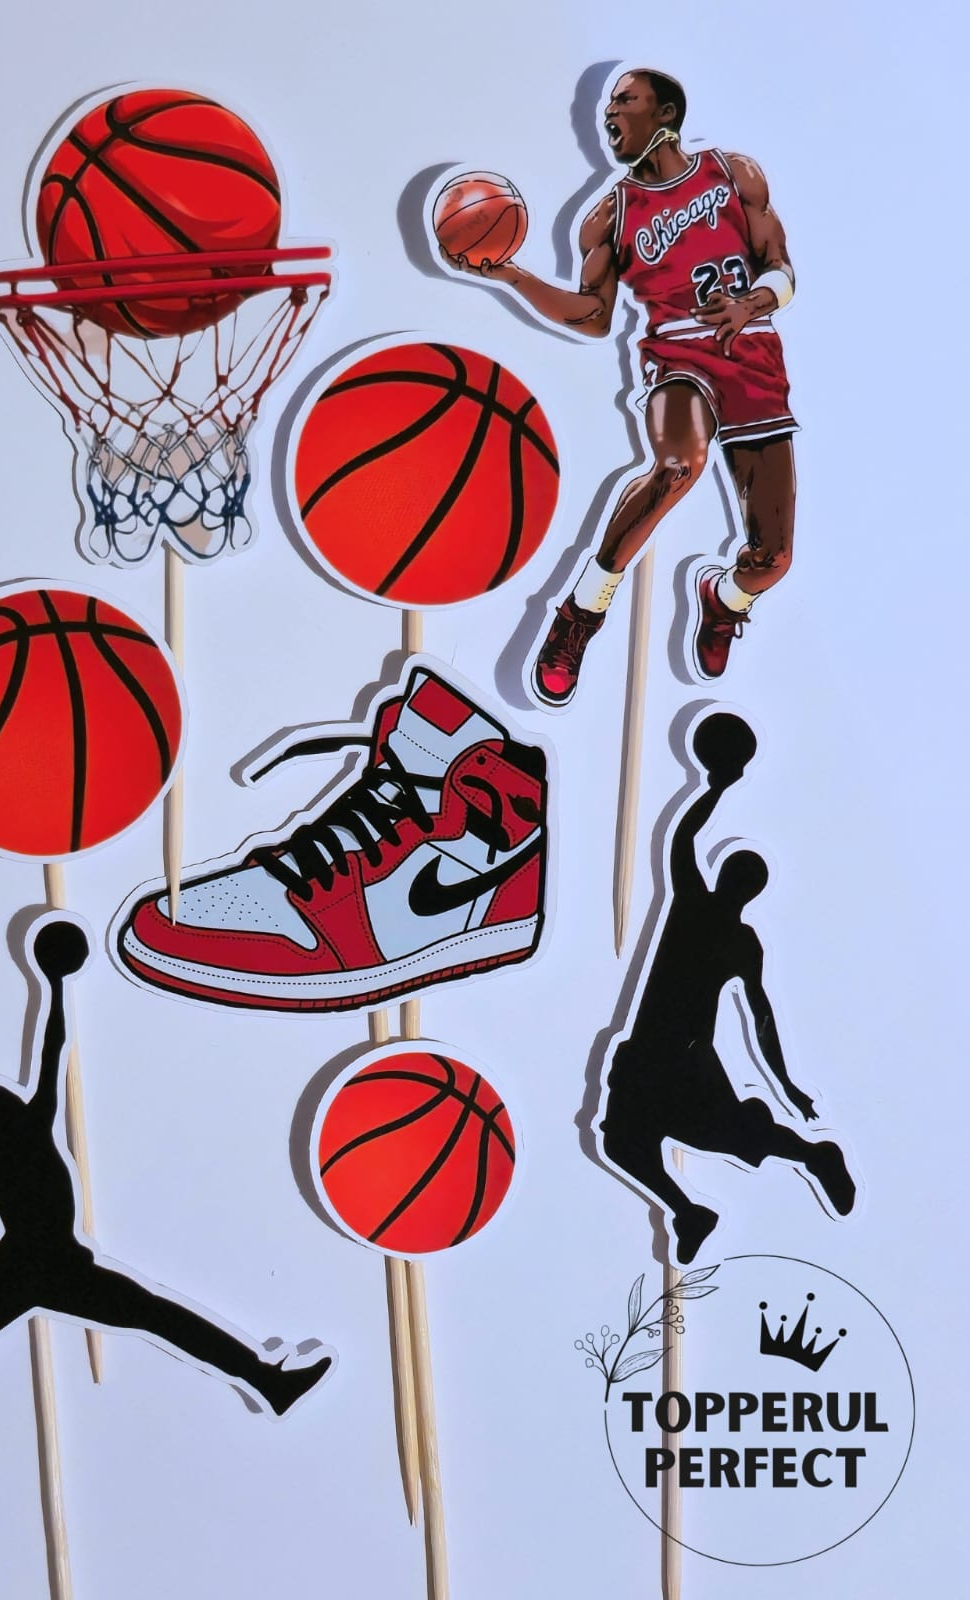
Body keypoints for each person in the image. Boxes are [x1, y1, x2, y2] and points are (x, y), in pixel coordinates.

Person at [0, 917, 332, 1477]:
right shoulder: (27, 1131)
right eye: (5, 1099)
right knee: (154, 1316)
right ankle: (265, 1380)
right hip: (50, 1270)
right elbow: (51, 1052)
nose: (13, 1098)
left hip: (32, 1271)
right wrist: (55, 984)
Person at [444, 68, 798, 703]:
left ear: (665, 113)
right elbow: (592, 315)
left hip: (752, 355)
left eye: (624, 100)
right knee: (677, 466)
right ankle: (581, 611)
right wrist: (511, 275)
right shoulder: (609, 216)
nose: (608, 112)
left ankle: (724, 599)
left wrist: (752, 303)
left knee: (773, 559)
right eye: (608, 104)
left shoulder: (733, 172)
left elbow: (782, 270)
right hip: (679, 356)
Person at [595, 720, 855, 1265]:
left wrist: (716, 785)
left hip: (681, 1054)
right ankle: (692, 1212)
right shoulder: (709, 917)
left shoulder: (713, 919)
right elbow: (762, 1023)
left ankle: (813, 1156)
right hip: (659, 1048)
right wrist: (715, 784)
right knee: (622, 1142)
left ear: (734, 881)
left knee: (714, 1135)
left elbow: (761, 1019)